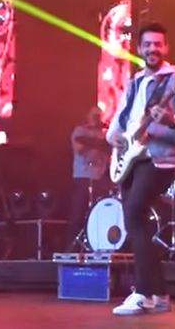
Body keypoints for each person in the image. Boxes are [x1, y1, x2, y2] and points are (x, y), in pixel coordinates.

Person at [106, 22, 175, 316]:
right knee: (136, 223)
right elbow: (120, 118)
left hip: (160, 159)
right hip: (131, 158)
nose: (153, 49)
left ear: (166, 48)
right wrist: (113, 137)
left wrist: (173, 120)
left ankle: (144, 293)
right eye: (148, 44)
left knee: (135, 214)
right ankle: (159, 294)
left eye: (158, 44)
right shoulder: (135, 82)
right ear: (139, 48)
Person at [65, 106, 111, 250]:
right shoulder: (80, 131)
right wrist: (93, 141)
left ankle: (98, 244)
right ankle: (72, 246)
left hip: (100, 178)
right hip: (83, 176)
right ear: (88, 116)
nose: (97, 118)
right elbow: (78, 148)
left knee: (100, 212)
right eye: (94, 115)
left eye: (99, 116)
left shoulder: (104, 134)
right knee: (78, 212)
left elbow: (109, 152)